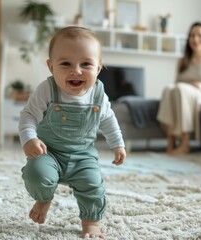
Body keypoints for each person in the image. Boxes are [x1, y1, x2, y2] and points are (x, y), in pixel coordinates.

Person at [18, 26, 126, 239]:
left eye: (86, 64)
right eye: (66, 63)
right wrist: (29, 139)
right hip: (49, 152)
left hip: (82, 155)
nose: (76, 70)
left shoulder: (98, 95)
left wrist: (118, 144)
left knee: (93, 184)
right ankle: (44, 198)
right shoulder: (47, 89)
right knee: (37, 175)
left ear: (98, 67)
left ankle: (91, 223)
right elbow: (28, 115)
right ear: (51, 66)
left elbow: (108, 120)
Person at [157, 22, 201, 155]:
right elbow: (175, 85)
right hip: (182, 95)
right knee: (169, 89)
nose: (195, 39)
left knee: (181, 89)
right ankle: (170, 142)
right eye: (192, 36)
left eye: (199, 35)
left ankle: (185, 143)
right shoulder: (182, 62)